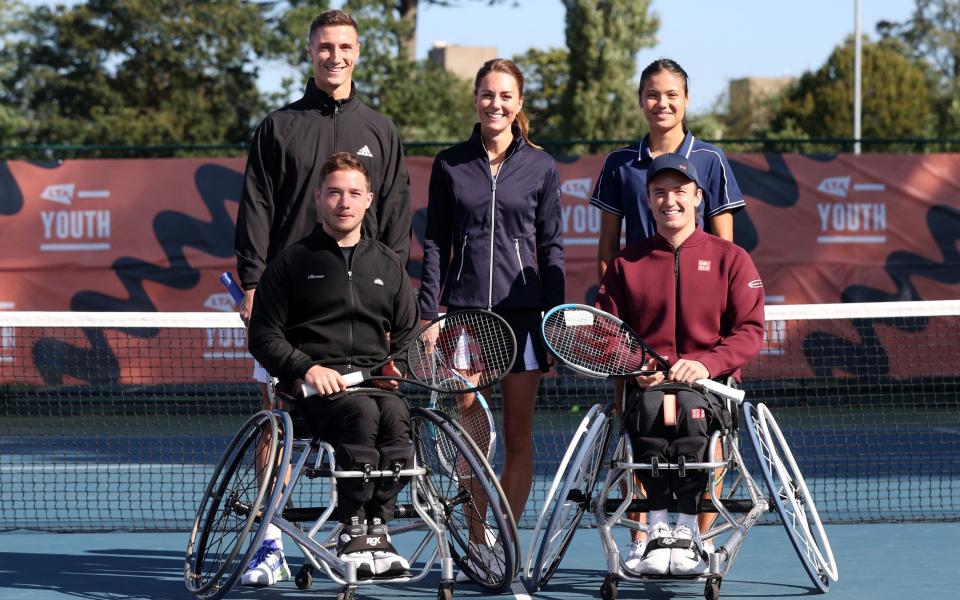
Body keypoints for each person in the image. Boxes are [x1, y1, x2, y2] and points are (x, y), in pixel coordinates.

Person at [591, 58, 746, 568]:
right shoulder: (619, 163)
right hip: (639, 314)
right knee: (640, 426)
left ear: (687, 100)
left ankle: (698, 538)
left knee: (705, 430)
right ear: (640, 100)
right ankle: (644, 538)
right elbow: (608, 248)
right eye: (652, 94)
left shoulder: (711, 159)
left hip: (700, 329)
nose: (662, 103)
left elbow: (723, 249)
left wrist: (713, 342)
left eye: (672, 94)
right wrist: (613, 319)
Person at [234, 8, 412, 436]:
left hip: (361, 304)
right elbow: (257, 206)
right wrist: (254, 283)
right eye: (326, 46)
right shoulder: (277, 127)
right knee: (275, 420)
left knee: (369, 415)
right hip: (290, 296)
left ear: (358, 53)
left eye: (345, 47)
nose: (336, 56)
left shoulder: (381, 130)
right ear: (310, 50)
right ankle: (266, 505)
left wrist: (389, 292)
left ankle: (361, 503)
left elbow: (395, 216)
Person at [245, 153, 420, 584]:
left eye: (354, 194)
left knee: (395, 414)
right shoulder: (291, 262)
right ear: (319, 199)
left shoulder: (387, 264)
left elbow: (409, 334)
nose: (345, 202)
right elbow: (264, 336)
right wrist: (307, 368)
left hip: (375, 388)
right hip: (313, 397)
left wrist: (401, 364)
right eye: (336, 193)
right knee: (362, 414)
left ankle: (377, 529)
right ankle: (351, 529)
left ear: (368, 201)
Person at [419, 58, 565, 574]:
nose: (496, 103)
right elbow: (434, 242)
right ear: (476, 99)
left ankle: (504, 539)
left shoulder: (542, 167)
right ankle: (477, 539)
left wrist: (555, 320)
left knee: (519, 437)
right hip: (464, 318)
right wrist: (429, 312)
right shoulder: (449, 163)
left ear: (518, 104)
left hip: (524, 319)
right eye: (487, 94)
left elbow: (551, 248)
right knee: (471, 435)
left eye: (506, 95)